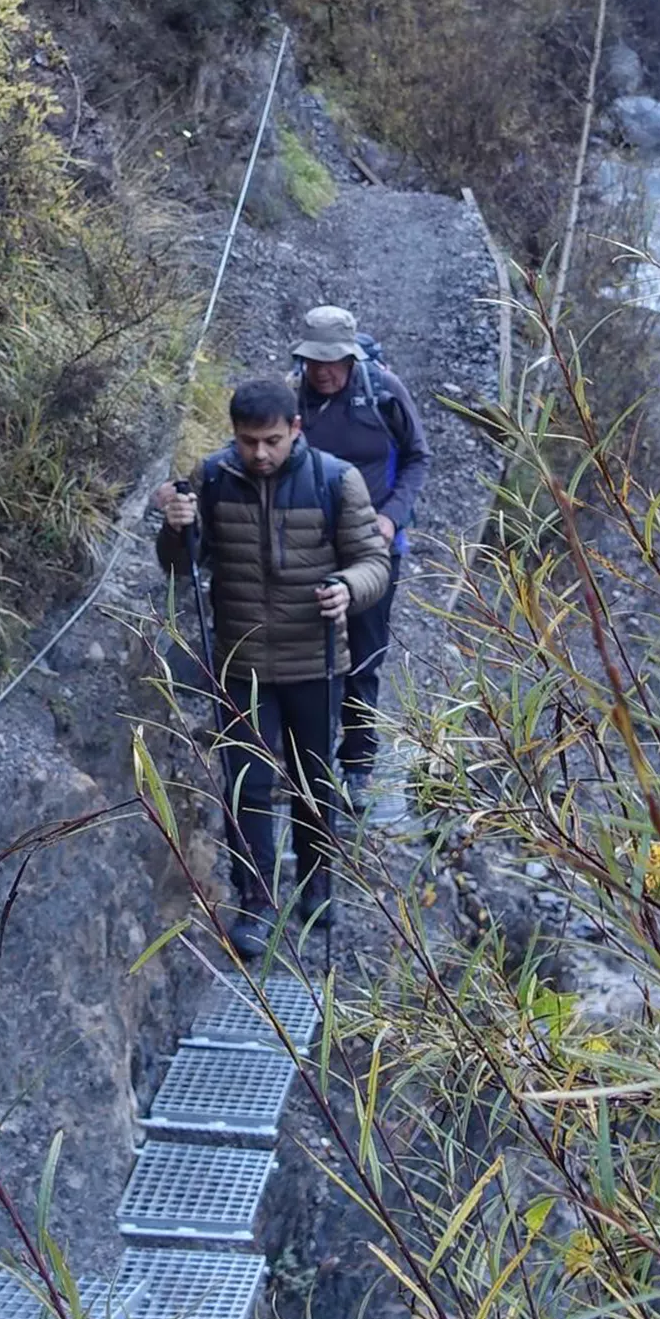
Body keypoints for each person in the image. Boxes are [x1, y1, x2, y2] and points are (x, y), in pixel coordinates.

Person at [152, 373, 388, 963]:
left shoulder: (336, 481)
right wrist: (175, 526)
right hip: (241, 662)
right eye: (248, 440)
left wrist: (346, 588)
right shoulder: (211, 478)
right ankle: (256, 902)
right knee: (247, 788)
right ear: (234, 435)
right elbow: (180, 567)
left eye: (272, 441)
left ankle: (316, 883)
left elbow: (373, 563)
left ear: (295, 431)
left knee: (314, 780)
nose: (259, 453)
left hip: (315, 661)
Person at [291, 306, 430, 813]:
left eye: (332, 362)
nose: (322, 371)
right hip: (310, 545)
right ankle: (310, 764)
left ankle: (358, 764)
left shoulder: (384, 391)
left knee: (365, 654)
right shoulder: (294, 396)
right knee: (313, 651)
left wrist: (393, 516)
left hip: (374, 546)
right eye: (313, 362)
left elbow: (418, 457)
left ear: (350, 358)